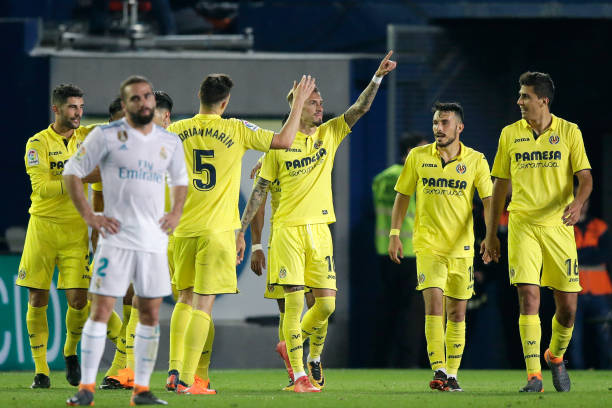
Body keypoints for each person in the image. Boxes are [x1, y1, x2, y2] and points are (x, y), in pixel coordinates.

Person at [237, 51, 397, 392]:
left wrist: (377, 78)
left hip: (320, 232)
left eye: (321, 101)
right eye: (312, 102)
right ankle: (298, 375)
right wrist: (250, 238)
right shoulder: (277, 147)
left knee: (325, 304)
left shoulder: (329, 134)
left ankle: (299, 351)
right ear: (297, 106)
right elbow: (259, 194)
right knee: (292, 305)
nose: (320, 106)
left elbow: (360, 109)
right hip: (288, 232)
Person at [166, 73, 316, 395]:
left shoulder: (175, 130)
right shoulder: (236, 128)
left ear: (199, 95)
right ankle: (187, 381)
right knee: (204, 304)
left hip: (181, 231)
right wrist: (299, 102)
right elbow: (284, 142)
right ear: (225, 102)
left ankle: (174, 369)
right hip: (217, 231)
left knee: (184, 298)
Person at [64, 75, 188, 406]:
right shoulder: (104, 137)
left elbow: (180, 180)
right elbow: (71, 173)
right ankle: (85, 388)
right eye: (136, 98)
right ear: (125, 104)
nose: (144, 103)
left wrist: (175, 212)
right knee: (102, 309)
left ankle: (142, 389)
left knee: (149, 312)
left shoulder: (168, 141)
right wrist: (90, 215)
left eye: (147, 97)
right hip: (116, 240)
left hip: (152, 241)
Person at [483, 71, 593, 392]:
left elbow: (585, 177)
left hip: (559, 227)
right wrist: (491, 235)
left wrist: (580, 202)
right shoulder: (509, 134)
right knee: (528, 297)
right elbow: (499, 186)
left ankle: (555, 356)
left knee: (568, 308)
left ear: (543, 100)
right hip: (522, 225)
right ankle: (534, 376)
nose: (519, 101)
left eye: (525, 96)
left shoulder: (569, 132)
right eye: (519, 96)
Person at [389, 102, 494, 392]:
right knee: (434, 306)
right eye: (436, 122)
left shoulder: (476, 160)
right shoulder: (418, 157)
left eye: (445, 122)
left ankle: (452, 373)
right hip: (428, 246)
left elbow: (488, 201)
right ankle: (438, 370)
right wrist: (395, 233)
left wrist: (490, 235)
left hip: (461, 249)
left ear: (459, 127)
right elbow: (402, 195)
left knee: (458, 313)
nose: (438, 128)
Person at [18, 84, 101, 389]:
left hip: (76, 229)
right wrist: (79, 176)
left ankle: (69, 352)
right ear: (56, 109)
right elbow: (42, 188)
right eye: (72, 108)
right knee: (37, 296)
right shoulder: (37, 143)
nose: (78, 113)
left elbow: (121, 126)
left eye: (81, 107)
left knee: (79, 301)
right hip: (42, 227)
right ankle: (41, 371)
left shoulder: (88, 136)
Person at [102, 91, 176, 390]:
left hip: (178, 233)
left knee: (189, 302)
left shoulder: (178, 141)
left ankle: (188, 371)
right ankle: (128, 369)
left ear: (165, 116)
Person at [248, 153, 316, 391]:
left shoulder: (313, 150)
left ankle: (309, 357)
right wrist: (256, 246)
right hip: (282, 241)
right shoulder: (270, 159)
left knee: (319, 303)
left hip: (312, 238)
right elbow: (259, 204)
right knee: (287, 306)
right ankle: (294, 371)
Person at [371, 133, 427, 368]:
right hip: (410, 253)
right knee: (412, 314)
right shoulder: (413, 178)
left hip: (383, 253)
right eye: (422, 151)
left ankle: (381, 362)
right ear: (409, 153)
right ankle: (408, 364)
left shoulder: (381, 178)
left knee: (386, 312)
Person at [569, 197, 611, 369]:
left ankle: (608, 373)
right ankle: (576, 375)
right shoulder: (565, 225)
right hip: (574, 292)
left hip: (600, 291)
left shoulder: (600, 227)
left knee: (606, 337)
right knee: (573, 338)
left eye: (584, 201)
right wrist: (591, 252)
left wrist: (579, 254)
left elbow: (606, 254)